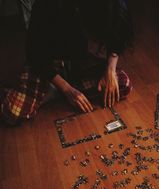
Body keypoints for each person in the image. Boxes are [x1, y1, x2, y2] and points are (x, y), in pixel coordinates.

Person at [1, 0, 134, 125]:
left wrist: (110, 70)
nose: (102, 49)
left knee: (123, 84)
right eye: (97, 40)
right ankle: (57, 90)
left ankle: (52, 94)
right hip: (49, 62)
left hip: (81, 61)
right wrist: (66, 89)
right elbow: (35, 54)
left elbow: (117, 38)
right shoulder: (49, 6)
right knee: (12, 112)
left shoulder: (116, 6)